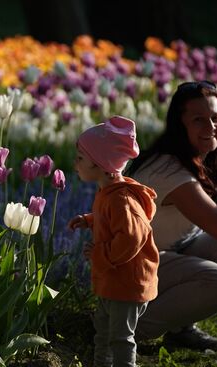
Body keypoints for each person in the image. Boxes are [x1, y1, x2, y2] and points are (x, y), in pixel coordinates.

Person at [126, 80, 217, 350]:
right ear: (180, 126)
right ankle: (126, 330)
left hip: (173, 253)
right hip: (134, 266)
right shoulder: (170, 171)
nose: (210, 127)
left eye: (215, 118)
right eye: (198, 120)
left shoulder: (212, 152)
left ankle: (180, 328)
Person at [68, 115, 159, 367]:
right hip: (113, 282)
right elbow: (111, 221)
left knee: (120, 339)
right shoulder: (108, 193)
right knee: (104, 335)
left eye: (80, 158)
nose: (75, 164)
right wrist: (90, 219)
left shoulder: (122, 200)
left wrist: (101, 254)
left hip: (126, 284)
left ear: (100, 164)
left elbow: (132, 237)